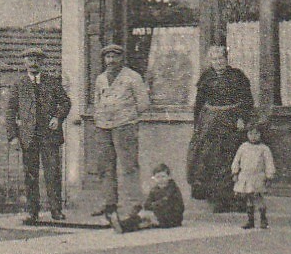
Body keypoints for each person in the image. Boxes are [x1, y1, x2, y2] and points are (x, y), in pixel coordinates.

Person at [5, 46, 72, 224]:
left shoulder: (52, 82)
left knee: (53, 173)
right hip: (28, 136)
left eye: (37, 59)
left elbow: (65, 102)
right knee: (30, 175)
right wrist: (13, 136)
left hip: (49, 135)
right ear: (24, 62)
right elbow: (10, 111)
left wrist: (57, 118)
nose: (33, 63)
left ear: (42, 62)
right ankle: (33, 212)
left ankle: (56, 210)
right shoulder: (19, 85)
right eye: (30, 59)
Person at [186, 44, 254, 212]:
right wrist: (198, 125)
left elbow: (247, 100)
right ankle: (216, 199)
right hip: (210, 124)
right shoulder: (206, 78)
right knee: (211, 159)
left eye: (221, 58)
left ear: (226, 59)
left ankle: (234, 200)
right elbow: (199, 104)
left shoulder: (237, 76)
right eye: (214, 59)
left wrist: (242, 118)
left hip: (231, 122)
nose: (218, 62)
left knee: (230, 158)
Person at [91, 43, 149, 219]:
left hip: (124, 126)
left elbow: (143, 103)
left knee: (129, 166)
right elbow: (97, 101)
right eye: (108, 57)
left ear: (121, 58)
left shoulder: (133, 77)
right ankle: (109, 203)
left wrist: (127, 116)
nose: (111, 60)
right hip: (103, 126)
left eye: (115, 57)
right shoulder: (100, 79)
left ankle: (134, 204)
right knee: (105, 167)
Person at [231, 123, 277, 230]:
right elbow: (236, 160)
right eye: (250, 134)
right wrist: (235, 172)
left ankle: (263, 220)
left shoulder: (264, 149)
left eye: (256, 134)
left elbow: (269, 163)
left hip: (258, 176)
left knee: (258, 197)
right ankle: (250, 220)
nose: (253, 136)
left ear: (260, 134)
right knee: (249, 197)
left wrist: (269, 176)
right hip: (246, 176)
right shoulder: (243, 147)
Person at [117, 163, 185, 233]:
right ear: (154, 178)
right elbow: (147, 204)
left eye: (163, 176)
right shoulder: (154, 190)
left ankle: (122, 225)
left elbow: (166, 203)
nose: (161, 179)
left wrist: (153, 210)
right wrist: (151, 209)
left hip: (172, 218)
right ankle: (123, 227)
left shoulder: (173, 189)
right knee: (143, 220)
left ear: (169, 177)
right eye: (158, 177)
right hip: (159, 215)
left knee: (145, 215)